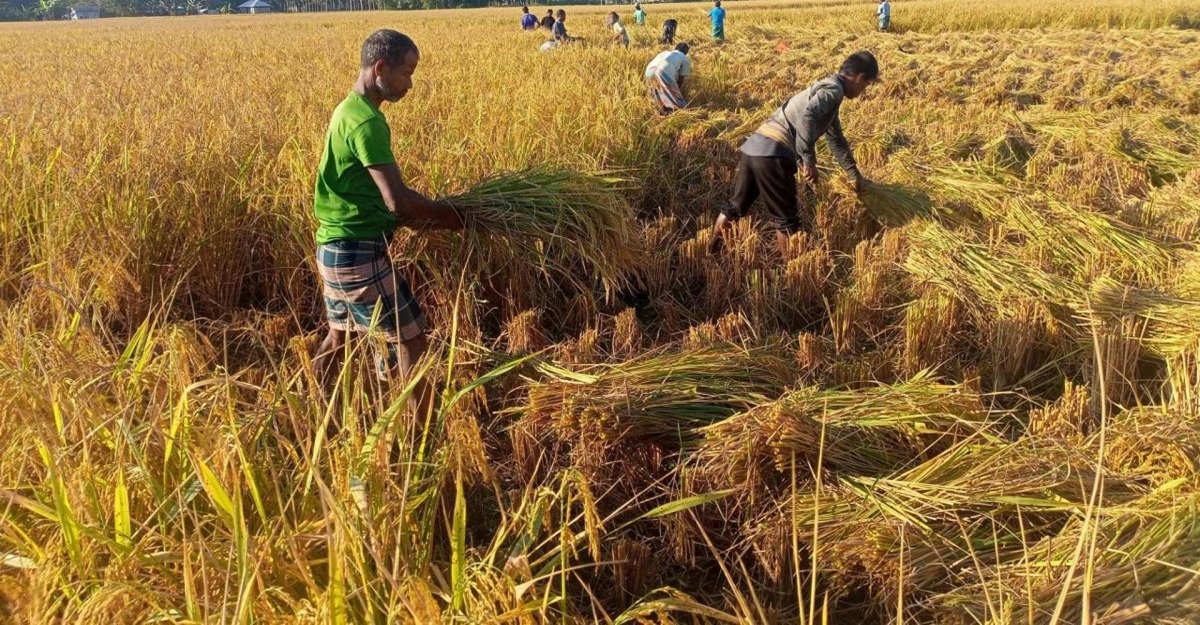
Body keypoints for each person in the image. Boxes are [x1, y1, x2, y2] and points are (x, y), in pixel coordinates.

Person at [312, 29, 462, 401]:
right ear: (381, 67)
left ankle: (309, 407)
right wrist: (452, 216)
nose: (410, 83)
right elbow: (397, 201)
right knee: (410, 340)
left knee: (340, 336)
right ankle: (420, 438)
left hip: (333, 250)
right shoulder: (367, 123)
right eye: (407, 72)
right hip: (357, 254)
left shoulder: (348, 108)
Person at [708, 51, 880, 256]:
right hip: (774, 153)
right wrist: (808, 159)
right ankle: (792, 273)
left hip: (754, 147)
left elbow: (836, 141)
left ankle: (711, 251)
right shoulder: (834, 91)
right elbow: (808, 117)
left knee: (736, 206)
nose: (863, 91)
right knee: (786, 220)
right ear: (860, 78)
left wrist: (854, 175)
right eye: (866, 85)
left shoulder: (826, 89)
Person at [644, 43, 691, 115]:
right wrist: (676, 91)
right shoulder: (684, 58)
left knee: (655, 94)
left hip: (649, 70)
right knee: (677, 101)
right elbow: (681, 78)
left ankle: (658, 112)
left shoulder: (665, 52)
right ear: (686, 52)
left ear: (675, 48)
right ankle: (679, 113)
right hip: (663, 72)